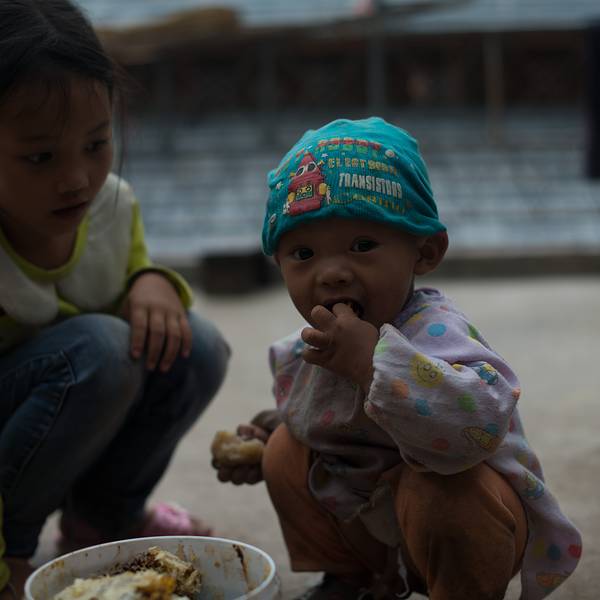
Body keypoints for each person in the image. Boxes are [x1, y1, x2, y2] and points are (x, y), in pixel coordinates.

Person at [213, 117, 582, 600]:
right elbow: (323, 416)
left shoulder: (436, 333)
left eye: (363, 246)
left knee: (444, 492)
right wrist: (265, 434)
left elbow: (478, 428)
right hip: (373, 524)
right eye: (303, 253)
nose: (332, 273)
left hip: (459, 523)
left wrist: (373, 365)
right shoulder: (310, 347)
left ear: (424, 252)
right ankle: (348, 579)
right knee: (285, 449)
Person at [0, 0, 230, 596]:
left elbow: (130, 280)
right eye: (40, 157)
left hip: (68, 405)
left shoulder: (111, 209)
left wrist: (151, 281)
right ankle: (11, 542)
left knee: (196, 346)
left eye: (97, 143)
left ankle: (103, 520)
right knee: (102, 349)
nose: (77, 178)